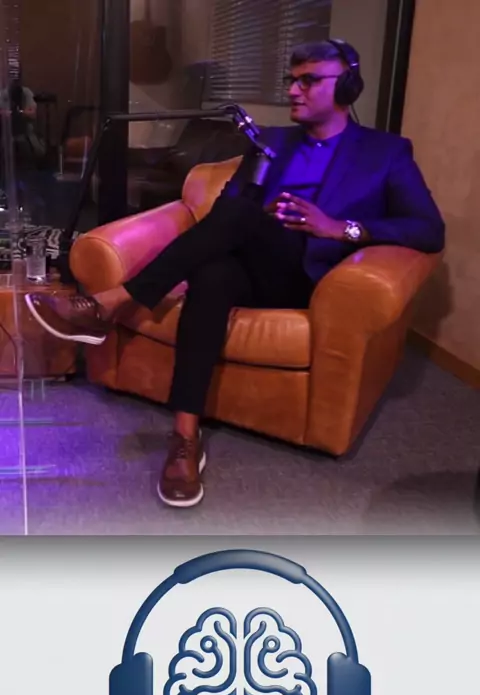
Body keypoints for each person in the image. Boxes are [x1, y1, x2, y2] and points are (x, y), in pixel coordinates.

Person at [25, 39, 445, 509]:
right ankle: (185, 438)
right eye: (291, 80)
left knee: (241, 220)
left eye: (309, 80)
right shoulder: (271, 142)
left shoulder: (385, 152)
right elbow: (225, 213)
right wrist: (244, 221)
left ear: (346, 86)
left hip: (313, 279)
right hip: (251, 265)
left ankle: (112, 302)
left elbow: (428, 229)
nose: (294, 91)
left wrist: (340, 228)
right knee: (213, 272)